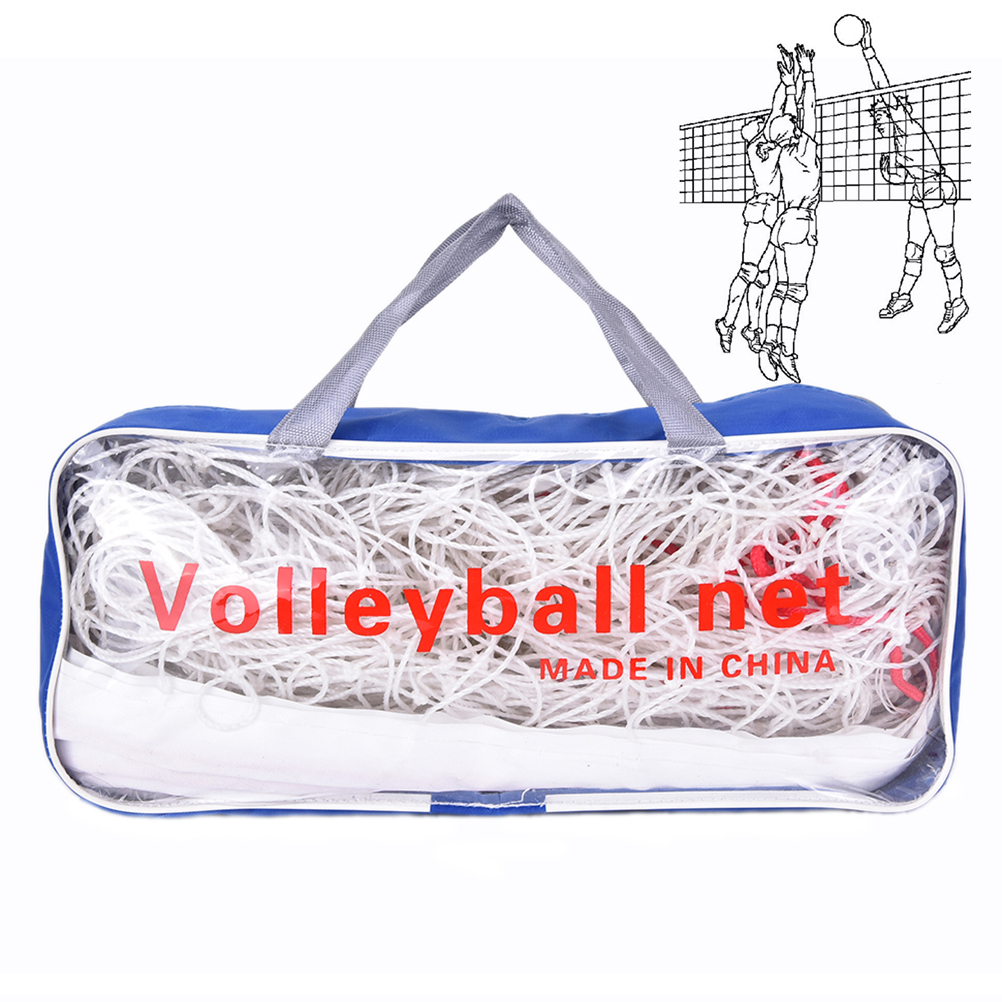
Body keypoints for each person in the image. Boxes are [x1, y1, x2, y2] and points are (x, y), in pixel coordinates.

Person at [859, 19, 968, 333]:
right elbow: (902, 176)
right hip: (921, 191)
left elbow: (883, 88)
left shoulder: (905, 127)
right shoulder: (893, 146)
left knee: (944, 252)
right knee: (912, 249)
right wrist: (893, 171)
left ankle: (957, 302)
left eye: (881, 116)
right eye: (876, 119)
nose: (878, 122)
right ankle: (904, 297)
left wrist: (868, 51)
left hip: (937, 189)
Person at [714, 54, 791, 354]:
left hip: (775, 212)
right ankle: (727, 323)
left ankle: (753, 327)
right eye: (758, 124)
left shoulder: (766, 146)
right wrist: (786, 83)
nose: (763, 122)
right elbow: (777, 109)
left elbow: (778, 113)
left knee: (762, 277)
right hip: (763, 211)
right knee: (748, 272)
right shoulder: (760, 147)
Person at [753, 43, 819, 383]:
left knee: (779, 287)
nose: (798, 121)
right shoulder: (805, 148)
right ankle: (787, 353)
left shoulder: (778, 152)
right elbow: (809, 109)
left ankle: (768, 344)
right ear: (793, 131)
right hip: (799, 223)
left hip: (782, 223)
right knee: (795, 291)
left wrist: (790, 84)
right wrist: (807, 74)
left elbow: (787, 114)